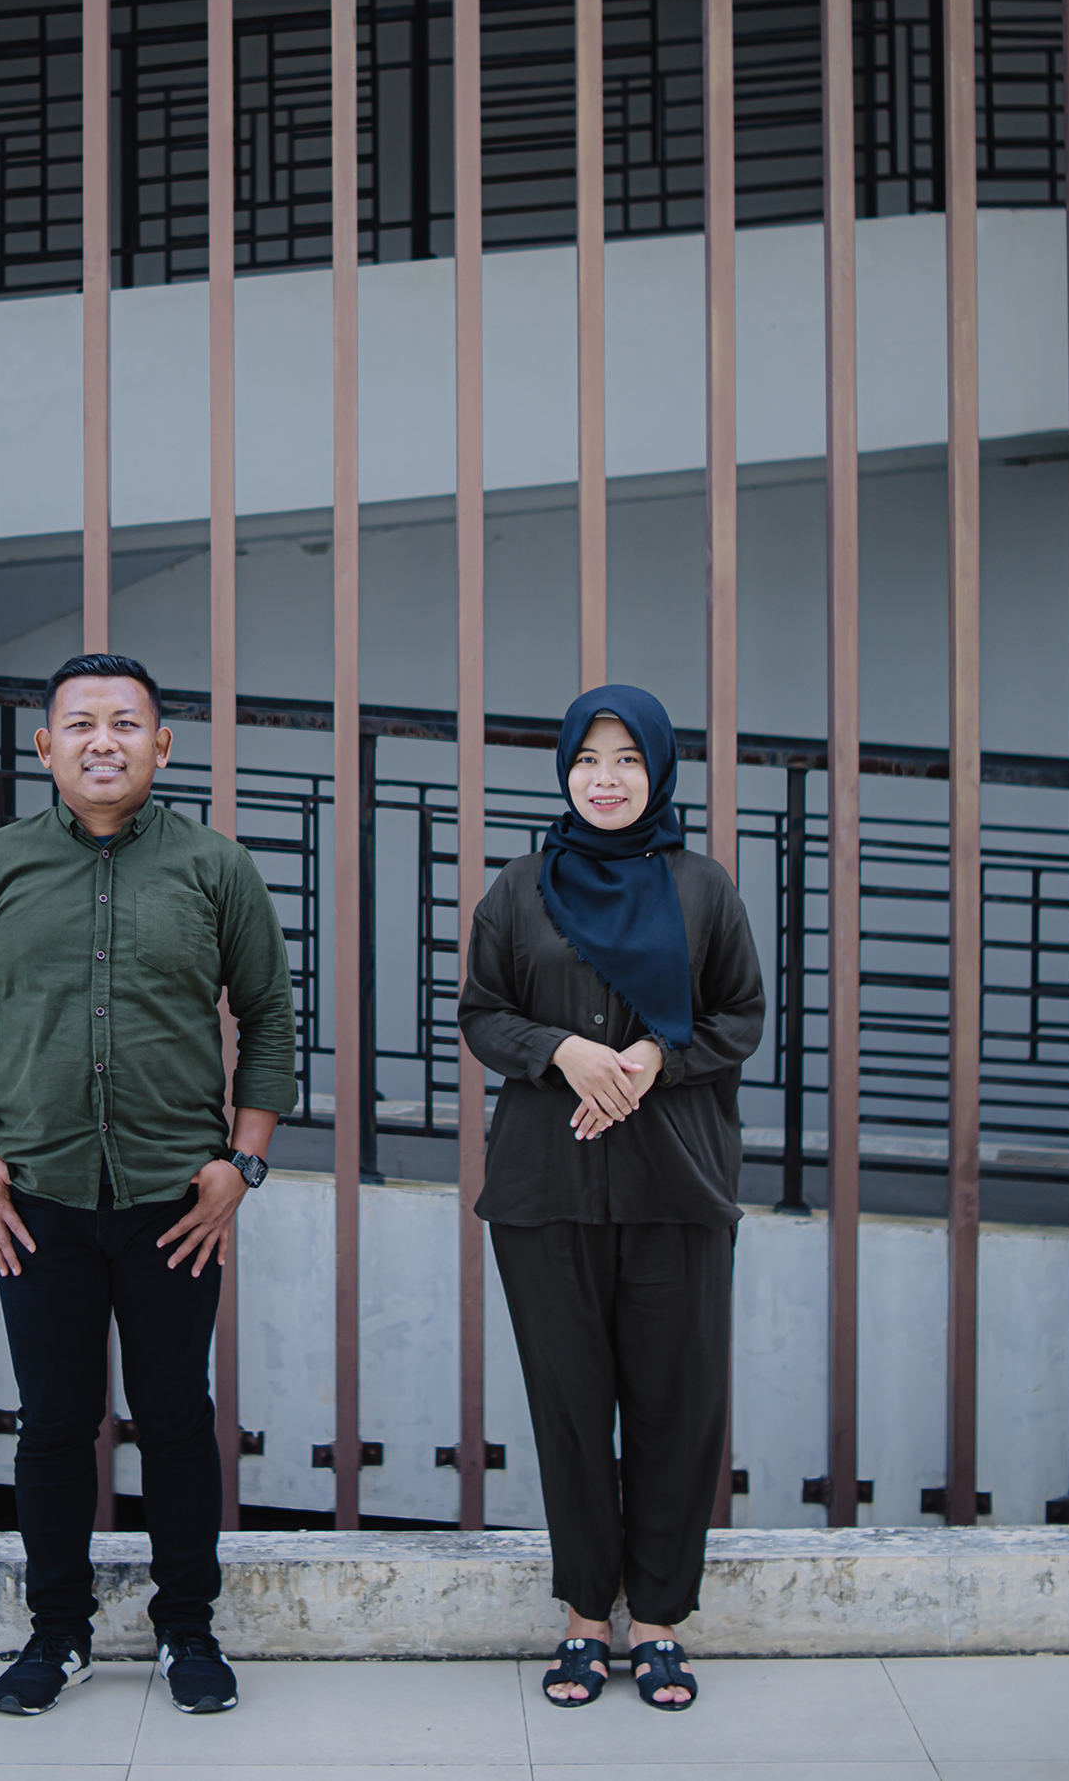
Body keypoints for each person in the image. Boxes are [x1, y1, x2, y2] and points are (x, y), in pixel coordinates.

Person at [0, 652, 298, 1719]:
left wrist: (241, 1167)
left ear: (160, 747)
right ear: (45, 747)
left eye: (125, 723)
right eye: (80, 723)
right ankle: (57, 1633)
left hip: (179, 1204)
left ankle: (188, 1630)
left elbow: (270, 1017)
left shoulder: (215, 867)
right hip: (36, 1199)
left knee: (175, 1415)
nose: (103, 741)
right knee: (52, 1422)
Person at [460, 683, 764, 1712]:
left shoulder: (703, 888)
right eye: (589, 759)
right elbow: (482, 1013)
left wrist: (650, 1059)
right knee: (573, 1412)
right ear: (564, 770)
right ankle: (587, 1618)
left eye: (628, 759)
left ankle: (662, 1622)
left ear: (659, 771)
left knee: (678, 1408)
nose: (606, 779)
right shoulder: (519, 889)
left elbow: (740, 1016)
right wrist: (565, 1052)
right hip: (546, 1191)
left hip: (677, 1184)